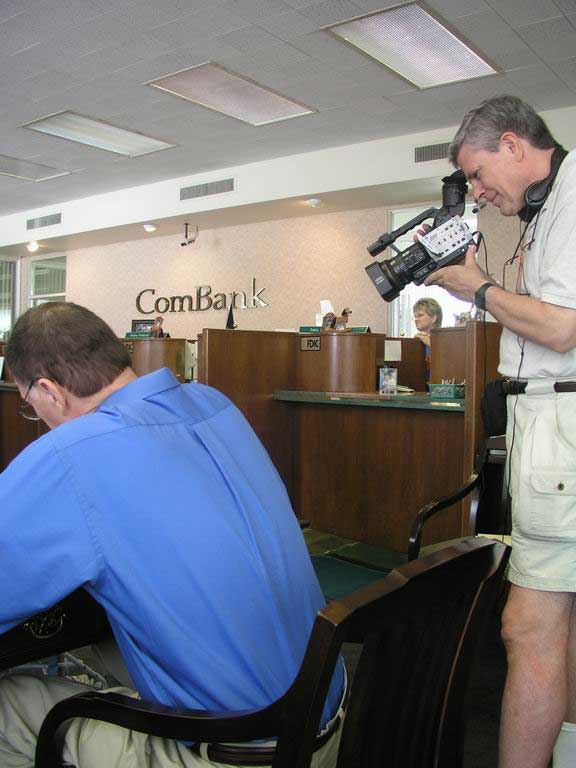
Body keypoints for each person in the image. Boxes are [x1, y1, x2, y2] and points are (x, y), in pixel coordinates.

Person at [0, 302, 344, 768]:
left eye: (29, 404)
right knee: (97, 644)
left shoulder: (70, 454)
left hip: (234, 751)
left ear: (48, 390)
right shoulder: (213, 403)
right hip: (320, 714)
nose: (36, 416)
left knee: (9, 702)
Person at [423, 95, 576, 768]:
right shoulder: (545, 211)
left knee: (528, 628)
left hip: (562, 428)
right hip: (547, 426)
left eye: (479, 173)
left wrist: (479, 288)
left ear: (513, 144)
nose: (477, 191)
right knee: (559, 628)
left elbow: (562, 328)